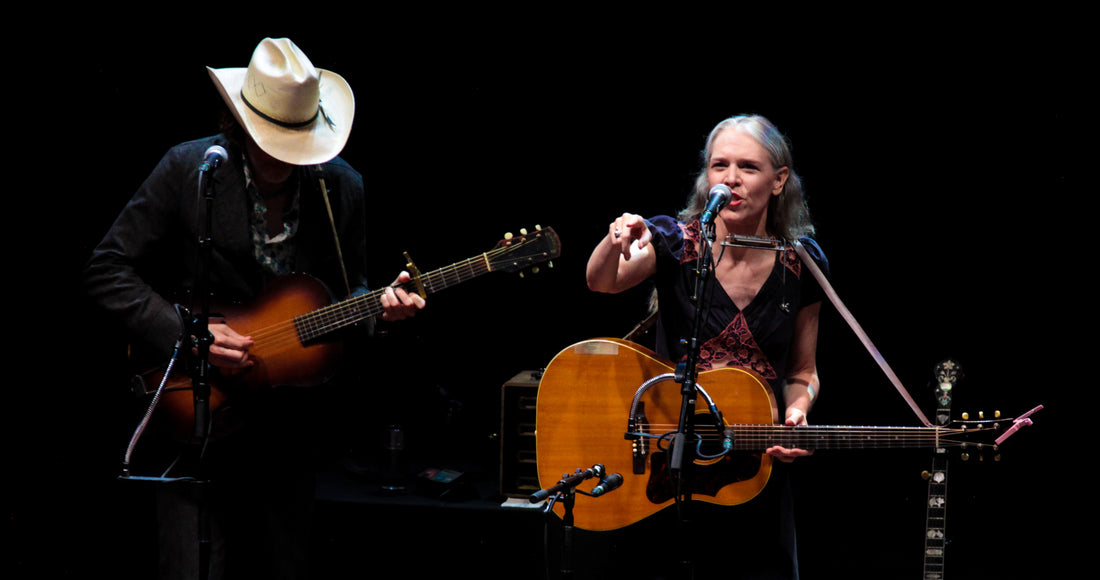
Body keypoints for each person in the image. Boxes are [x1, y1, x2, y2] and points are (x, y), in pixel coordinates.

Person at [83, 38, 424, 579]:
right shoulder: (189, 169)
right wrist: (188, 334)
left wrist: (382, 310)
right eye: (271, 140)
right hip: (193, 422)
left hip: (286, 436)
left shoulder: (342, 188)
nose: (281, 158)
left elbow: (349, 295)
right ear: (240, 124)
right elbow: (107, 268)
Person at [585, 114, 826, 579]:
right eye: (720, 166)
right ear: (706, 176)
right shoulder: (675, 241)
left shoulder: (803, 262)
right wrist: (615, 238)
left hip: (752, 471)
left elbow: (803, 371)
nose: (731, 179)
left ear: (778, 181)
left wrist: (798, 412)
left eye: (748, 168)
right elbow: (602, 282)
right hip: (665, 463)